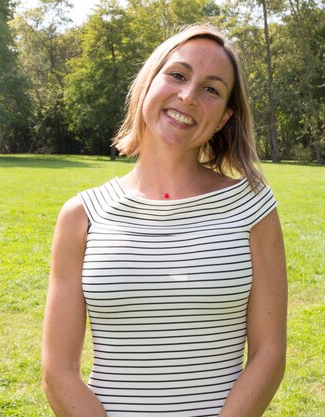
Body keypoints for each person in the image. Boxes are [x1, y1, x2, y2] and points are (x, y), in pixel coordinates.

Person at [42, 24, 287, 417]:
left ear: (224, 117)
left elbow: (268, 353)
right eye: (177, 75)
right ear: (147, 84)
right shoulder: (82, 215)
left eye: (211, 88)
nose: (188, 96)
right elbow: (58, 370)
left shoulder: (252, 207)